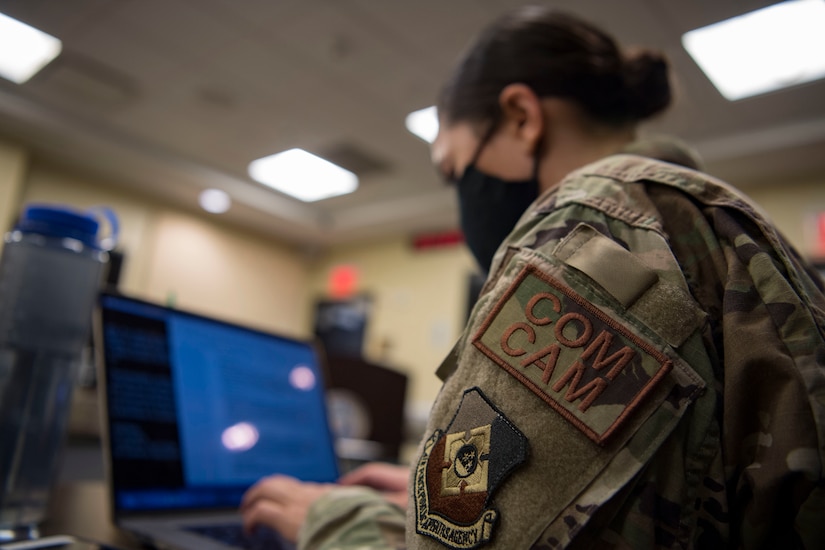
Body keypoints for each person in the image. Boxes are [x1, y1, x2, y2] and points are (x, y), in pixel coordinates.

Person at [240, 6, 825, 549]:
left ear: (522, 118)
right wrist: (445, 497)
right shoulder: (710, 222)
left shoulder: (588, 227)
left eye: (454, 169)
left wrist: (330, 518)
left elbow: (448, 540)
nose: (461, 196)